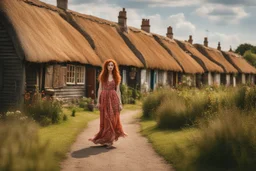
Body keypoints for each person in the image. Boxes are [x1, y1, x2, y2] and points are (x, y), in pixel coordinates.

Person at [88, 59, 128, 149]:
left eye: (112, 65)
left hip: (113, 99)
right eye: (109, 65)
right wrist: (98, 101)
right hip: (104, 99)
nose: (110, 66)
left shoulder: (117, 77)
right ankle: (105, 139)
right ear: (106, 67)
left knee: (112, 119)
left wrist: (120, 103)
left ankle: (110, 141)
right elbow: (100, 89)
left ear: (114, 67)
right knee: (105, 120)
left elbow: (118, 91)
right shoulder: (103, 76)